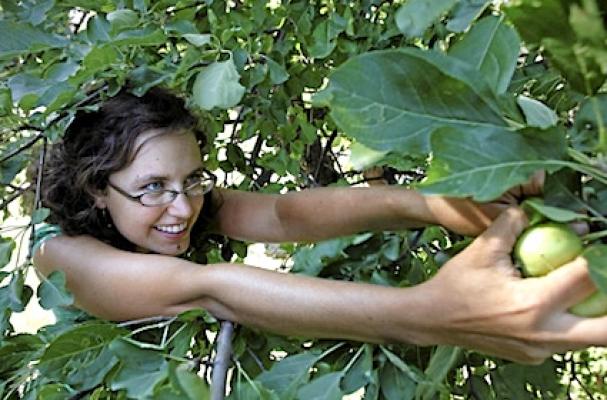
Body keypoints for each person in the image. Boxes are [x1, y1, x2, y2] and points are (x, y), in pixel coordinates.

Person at [33, 87, 605, 365]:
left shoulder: (186, 201)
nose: (183, 208)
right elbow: (212, 287)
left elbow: (284, 214)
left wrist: (426, 204)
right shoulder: (60, 257)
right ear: (95, 191)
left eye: (192, 180)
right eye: (153, 188)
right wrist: (427, 315)